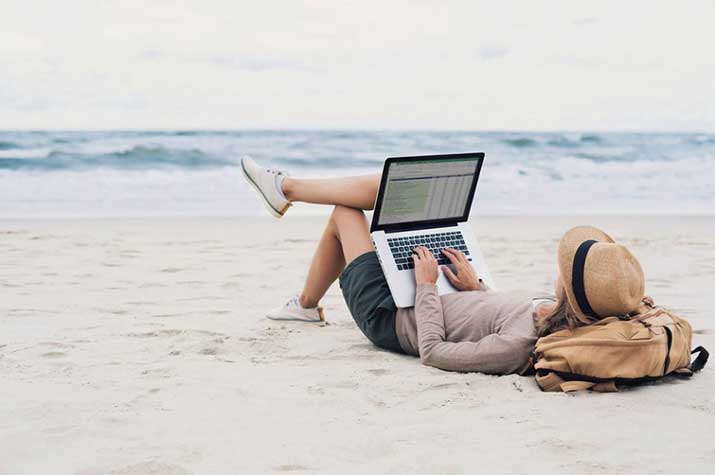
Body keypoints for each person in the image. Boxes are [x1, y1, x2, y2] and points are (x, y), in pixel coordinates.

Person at [240, 157, 646, 375]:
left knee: (345, 213)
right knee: (385, 190)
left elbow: (433, 352)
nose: (560, 267)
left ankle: (288, 200)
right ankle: (304, 298)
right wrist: (474, 288)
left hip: (391, 318)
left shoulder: (518, 346)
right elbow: (486, 316)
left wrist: (427, 287)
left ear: (571, 292)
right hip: (434, 294)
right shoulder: (547, 310)